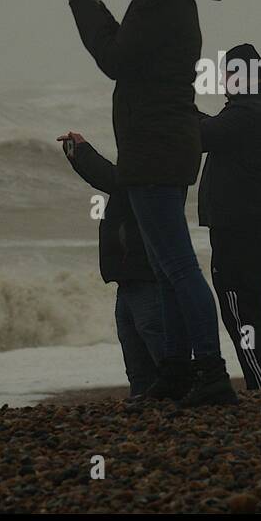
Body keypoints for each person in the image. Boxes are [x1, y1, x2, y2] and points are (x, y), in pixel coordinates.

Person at [62, 0, 237, 407]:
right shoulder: (164, 0)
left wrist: (83, 8)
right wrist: (94, 4)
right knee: (165, 268)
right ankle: (178, 371)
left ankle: (211, 372)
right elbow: (128, 51)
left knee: (177, 267)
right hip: (162, 146)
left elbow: (115, 60)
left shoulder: (161, 1)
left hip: (155, 150)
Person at [197, 43, 261, 390]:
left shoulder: (249, 111)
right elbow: (213, 127)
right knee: (249, 311)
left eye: (230, 74)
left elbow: (202, 134)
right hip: (253, 228)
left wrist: (173, 106)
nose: (224, 81)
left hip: (239, 229)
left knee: (240, 312)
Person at [56, 130, 165, 399]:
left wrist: (81, 150)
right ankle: (145, 397)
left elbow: (109, 177)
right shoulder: (138, 169)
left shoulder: (148, 170)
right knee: (133, 344)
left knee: (152, 338)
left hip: (142, 273)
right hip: (129, 274)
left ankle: (171, 394)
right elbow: (107, 178)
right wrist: (77, 153)